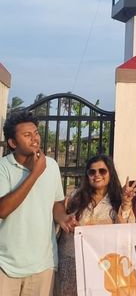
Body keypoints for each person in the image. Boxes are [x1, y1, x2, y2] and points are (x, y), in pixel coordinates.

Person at [0, 109, 75, 296]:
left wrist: (63, 218)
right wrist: (35, 173)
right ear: (12, 142)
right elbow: (2, 209)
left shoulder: (51, 166)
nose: (35, 139)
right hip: (6, 265)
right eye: (27, 135)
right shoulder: (3, 168)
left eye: (36, 133)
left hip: (43, 265)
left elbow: (56, 203)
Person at [57, 154, 136, 296]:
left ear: (110, 173)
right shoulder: (76, 197)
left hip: (102, 267)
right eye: (92, 172)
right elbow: (60, 216)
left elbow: (126, 234)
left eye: (102, 171)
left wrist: (125, 204)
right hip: (72, 264)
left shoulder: (118, 200)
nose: (97, 175)